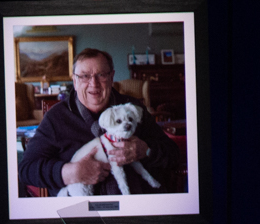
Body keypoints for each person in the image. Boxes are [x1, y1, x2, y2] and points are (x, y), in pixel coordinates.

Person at [17, 48, 183, 196]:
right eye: (84, 76)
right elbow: (26, 169)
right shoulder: (56, 117)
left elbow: (174, 154)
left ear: (111, 77)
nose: (93, 83)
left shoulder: (132, 109)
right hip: (80, 209)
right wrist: (70, 173)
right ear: (74, 81)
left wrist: (146, 151)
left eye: (101, 75)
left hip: (135, 203)